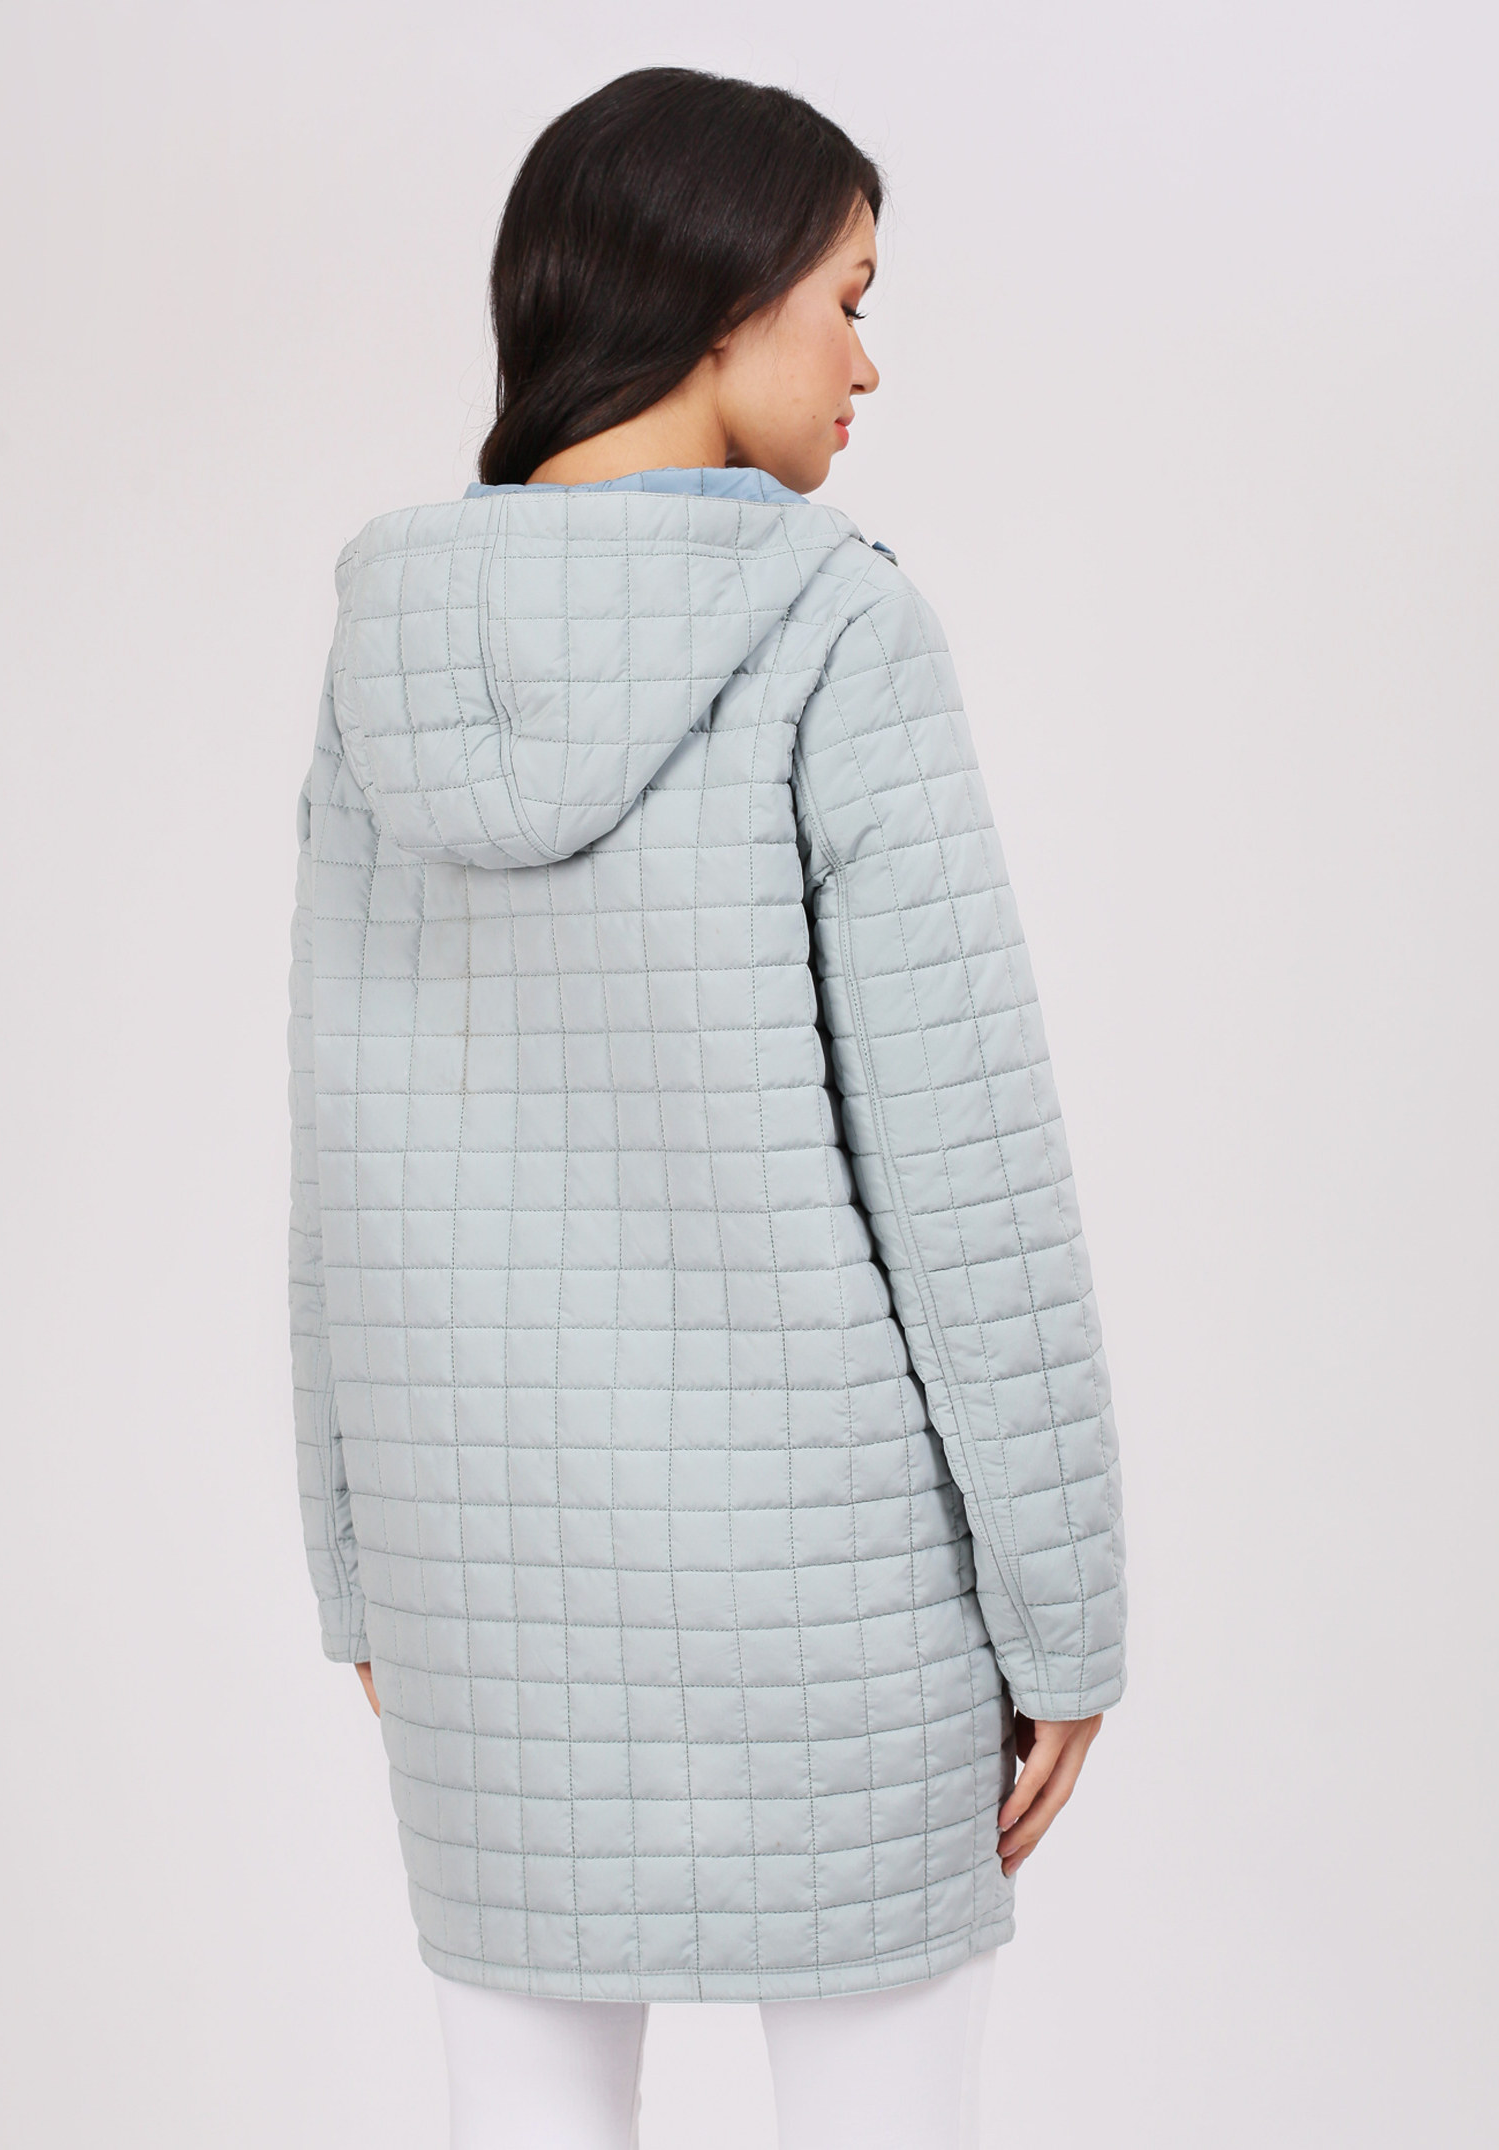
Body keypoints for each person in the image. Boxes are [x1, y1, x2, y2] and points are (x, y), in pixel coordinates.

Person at [287, 65, 1128, 2150]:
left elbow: (342, 1154)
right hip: (831, 1608)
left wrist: (361, 1572)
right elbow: (969, 1170)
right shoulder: (836, 625)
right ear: (723, 296)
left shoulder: (390, 656)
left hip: (486, 1602)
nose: (866, 360)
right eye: (848, 297)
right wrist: (1066, 1615)